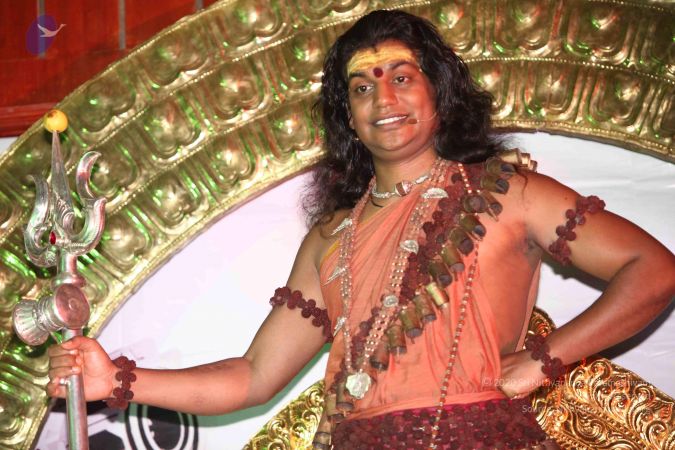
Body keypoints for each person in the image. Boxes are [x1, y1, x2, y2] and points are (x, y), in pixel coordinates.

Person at [47, 10, 674, 449]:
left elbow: (654, 271)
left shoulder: (507, 193)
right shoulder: (332, 237)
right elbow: (254, 375)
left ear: (438, 94)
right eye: (361, 87)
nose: (384, 99)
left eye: (401, 77)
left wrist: (540, 361)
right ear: (348, 116)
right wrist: (117, 380)